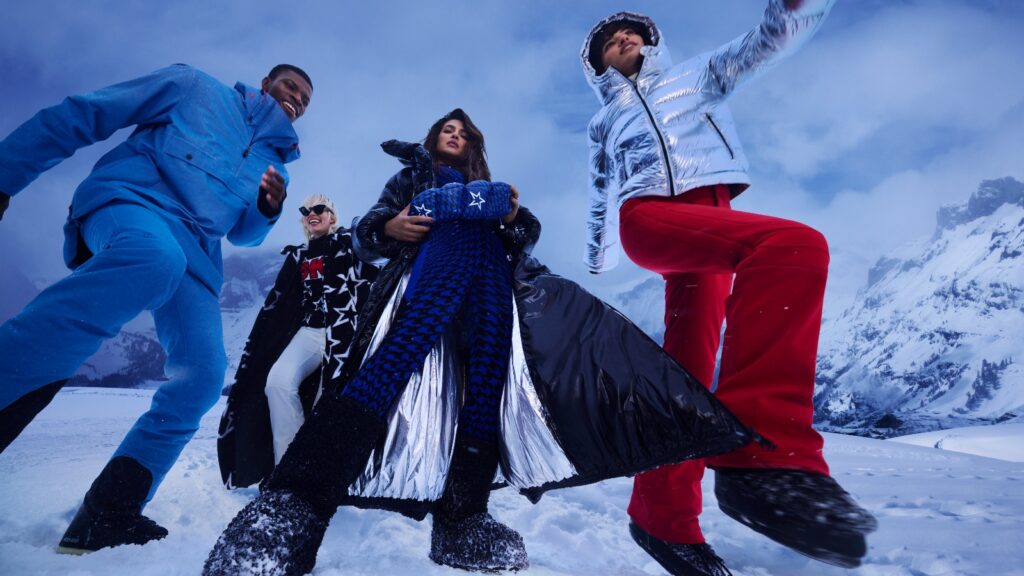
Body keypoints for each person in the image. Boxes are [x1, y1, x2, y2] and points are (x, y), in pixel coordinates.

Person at [204, 109, 758, 576]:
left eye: (464, 132)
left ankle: (462, 517)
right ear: (432, 139)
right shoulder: (412, 178)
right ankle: (294, 503)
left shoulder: (494, 191)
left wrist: (513, 217)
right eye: (447, 129)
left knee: (488, 379)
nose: (456, 135)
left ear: (474, 145)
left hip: (492, 274)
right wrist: (389, 228)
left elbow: (525, 232)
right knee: (395, 360)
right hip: (431, 266)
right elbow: (370, 232)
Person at [581, 2, 878, 574]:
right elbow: (600, 192)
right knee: (793, 246)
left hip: (712, 220)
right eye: (609, 41)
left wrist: (798, 9)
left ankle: (662, 518)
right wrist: (599, 258)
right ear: (599, 66)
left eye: (631, 32)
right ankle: (768, 459)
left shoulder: (698, 74)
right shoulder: (604, 121)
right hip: (650, 218)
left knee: (687, 375)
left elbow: (767, 41)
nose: (622, 38)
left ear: (649, 41)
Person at [0, 62, 313, 553]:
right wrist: (5, 175)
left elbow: (242, 235)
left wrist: (267, 209)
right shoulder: (194, 88)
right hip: (130, 205)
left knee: (204, 375)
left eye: (305, 100)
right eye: (291, 85)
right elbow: (87, 113)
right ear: (265, 83)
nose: (297, 98)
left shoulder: (275, 163)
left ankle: (109, 512)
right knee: (154, 258)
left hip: (196, 256)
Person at [216, 193, 378, 488]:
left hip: (346, 334)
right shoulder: (299, 256)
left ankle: (324, 479)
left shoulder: (349, 244)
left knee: (329, 401)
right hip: (310, 332)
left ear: (332, 216)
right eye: (306, 210)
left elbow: (374, 260)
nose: (311, 213)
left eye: (319, 208)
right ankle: (288, 470)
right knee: (277, 382)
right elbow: (280, 302)